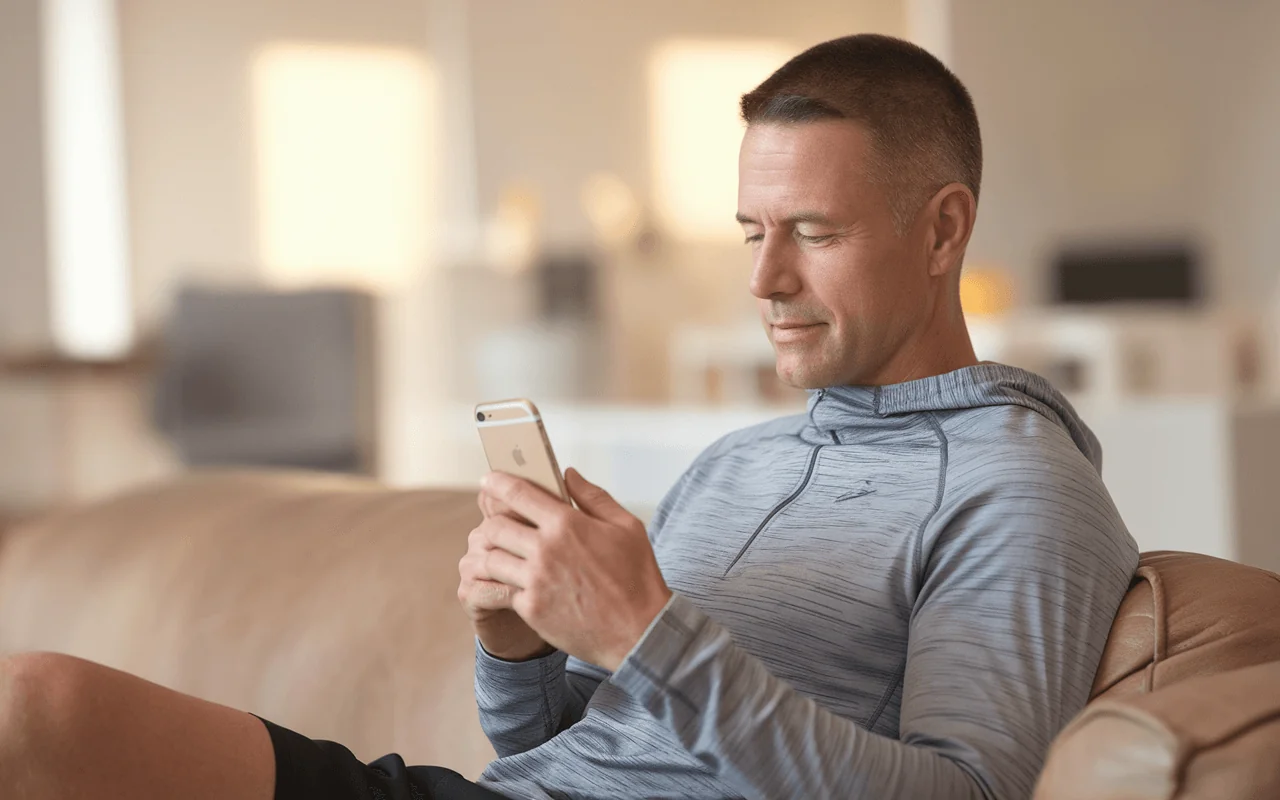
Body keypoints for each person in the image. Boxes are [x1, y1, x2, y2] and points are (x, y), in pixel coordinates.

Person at [0, 33, 1137, 800]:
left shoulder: (1017, 487)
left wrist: (648, 633)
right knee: (36, 702)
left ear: (941, 231)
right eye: (752, 232)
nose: (763, 280)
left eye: (815, 234)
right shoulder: (739, 462)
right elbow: (561, 748)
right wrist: (518, 638)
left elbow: (964, 793)